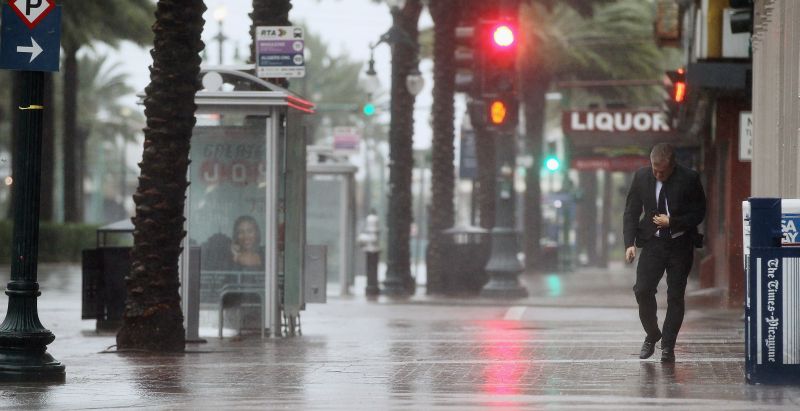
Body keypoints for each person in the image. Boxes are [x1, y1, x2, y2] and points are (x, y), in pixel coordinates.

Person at [623, 143, 706, 363]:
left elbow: (699, 212)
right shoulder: (641, 177)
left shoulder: (689, 178)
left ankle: (668, 346)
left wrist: (673, 222)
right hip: (653, 243)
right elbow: (631, 210)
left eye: (662, 171)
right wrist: (629, 243)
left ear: (672, 166)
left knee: (675, 296)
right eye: (654, 170)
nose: (658, 174)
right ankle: (652, 334)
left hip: (680, 245)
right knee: (642, 290)